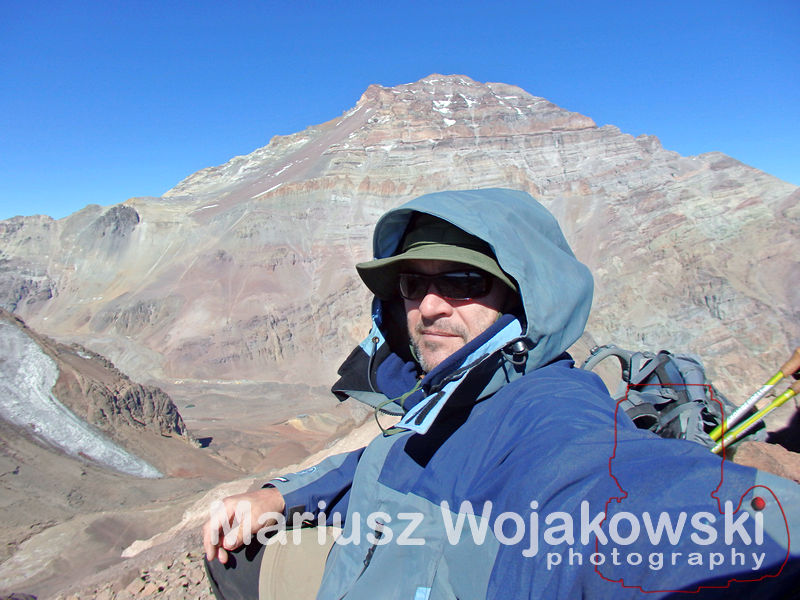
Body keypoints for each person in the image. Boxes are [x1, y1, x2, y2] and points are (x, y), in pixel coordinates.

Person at [203, 188, 800, 599]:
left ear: (519, 299)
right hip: (363, 565)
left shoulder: (550, 410)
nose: (429, 306)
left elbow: (631, 498)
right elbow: (393, 457)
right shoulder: (450, 397)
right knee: (230, 551)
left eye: (462, 281)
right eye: (413, 283)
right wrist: (281, 494)